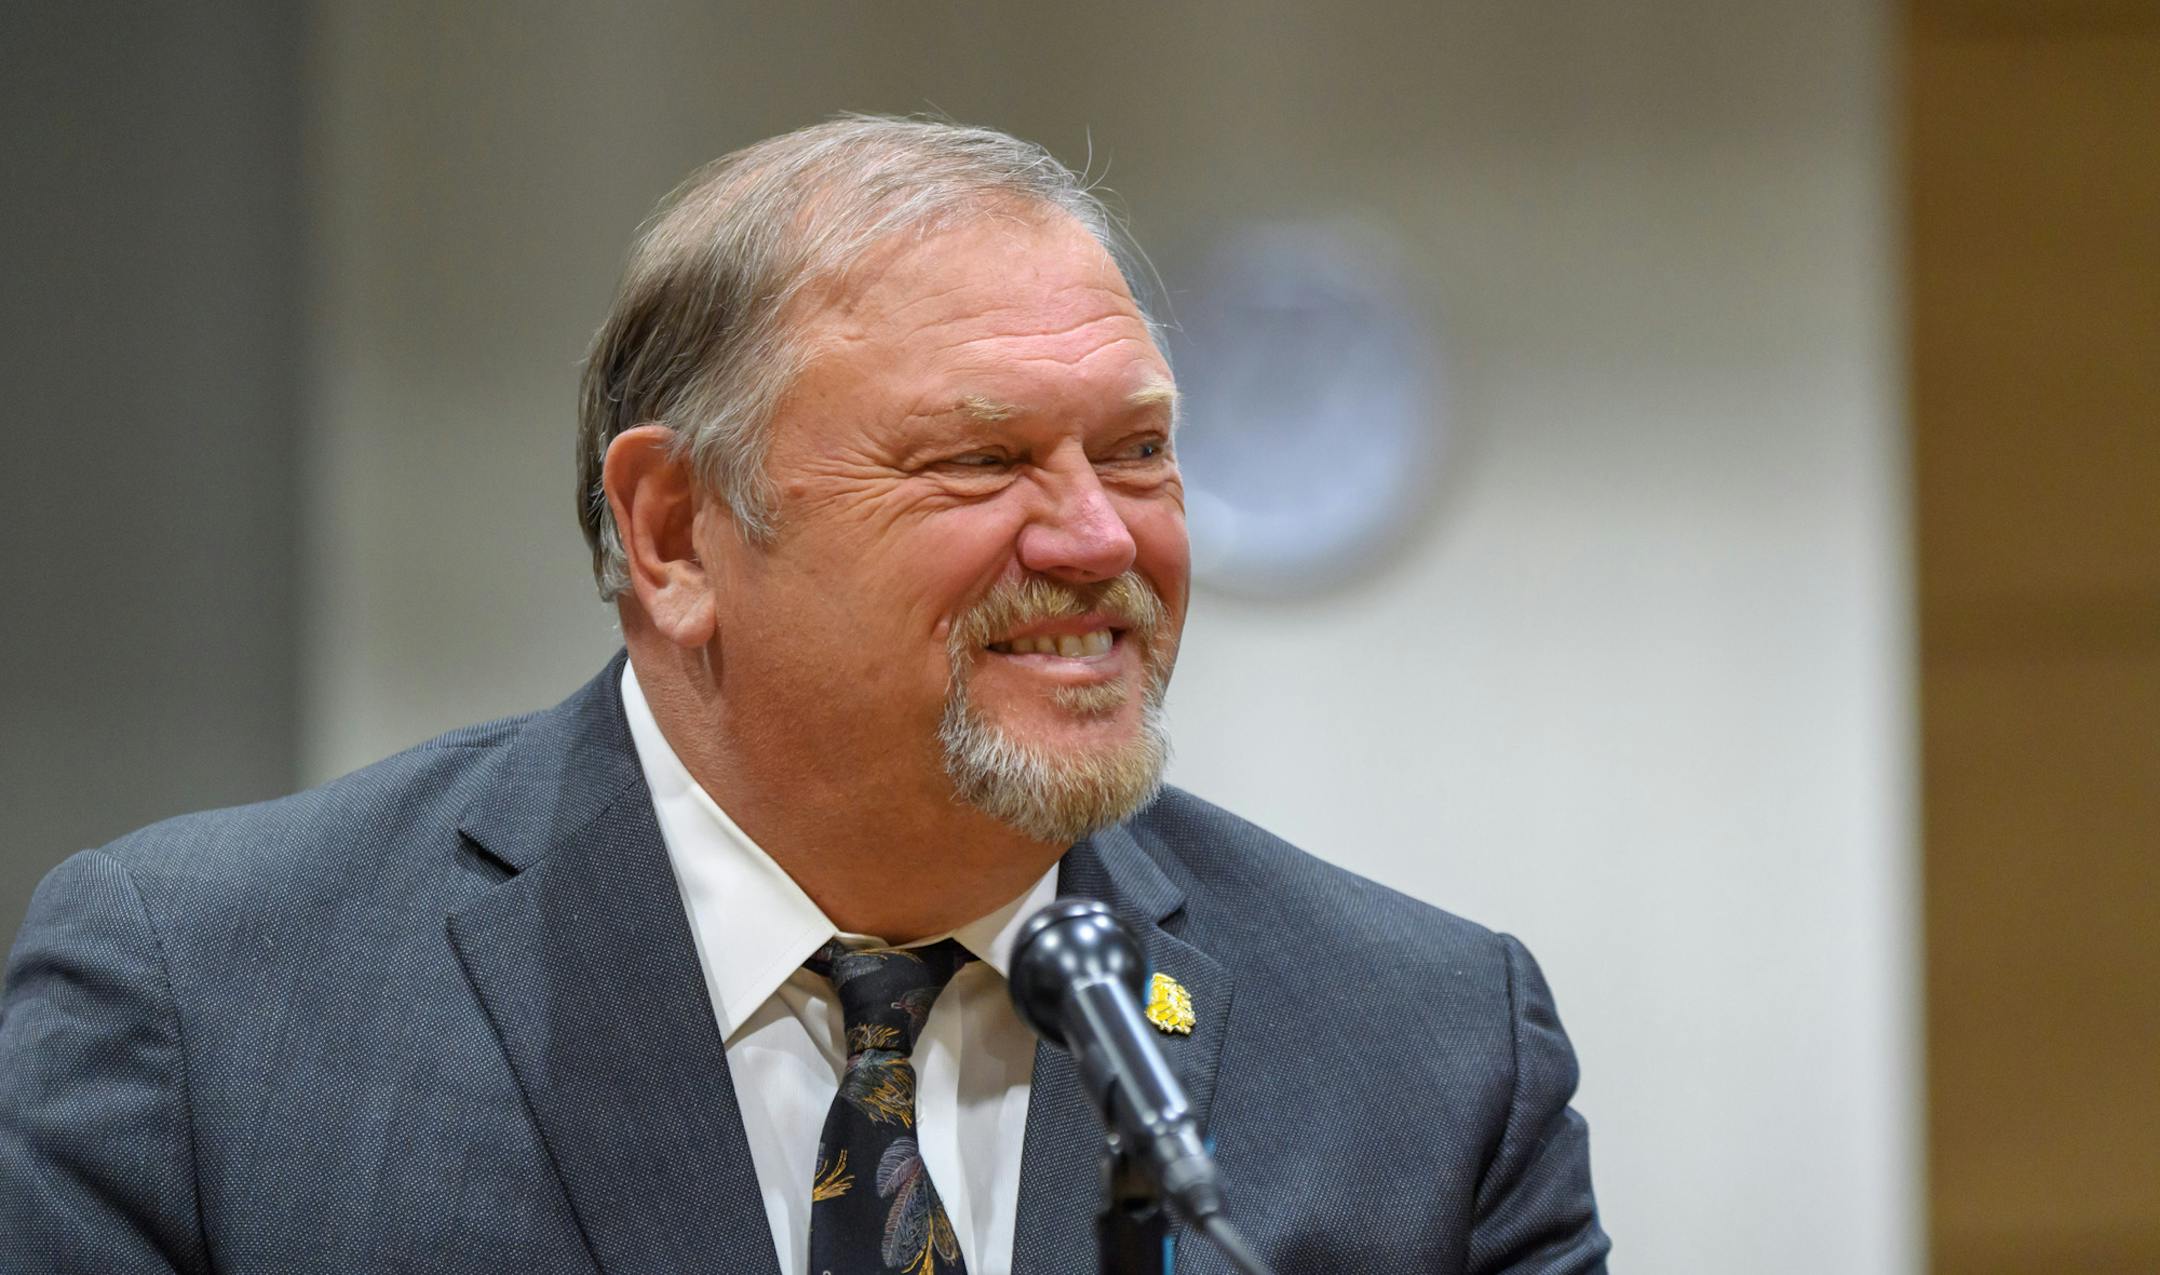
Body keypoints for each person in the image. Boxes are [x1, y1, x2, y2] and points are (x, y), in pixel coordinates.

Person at [0, 116, 1608, 1274]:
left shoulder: (1427, 1052)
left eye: (1135, 449)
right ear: (676, 532)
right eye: (980, 460)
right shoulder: (209, 1007)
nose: (1103, 535)